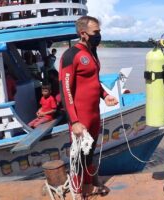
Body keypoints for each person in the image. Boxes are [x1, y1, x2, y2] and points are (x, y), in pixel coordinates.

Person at [59, 16, 118, 198]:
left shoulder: (92, 52)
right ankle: (78, 193)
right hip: (80, 117)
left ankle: (90, 183)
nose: (99, 35)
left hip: (94, 115)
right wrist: (74, 121)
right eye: (96, 32)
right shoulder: (71, 55)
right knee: (78, 158)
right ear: (83, 34)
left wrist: (105, 95)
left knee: (90, 152)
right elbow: (65, 89)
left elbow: (93, 81)